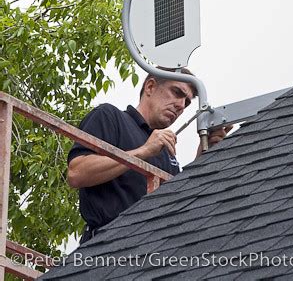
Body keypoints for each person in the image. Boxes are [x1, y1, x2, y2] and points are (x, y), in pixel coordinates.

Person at [67, 70, 231, 243]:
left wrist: (205, 156)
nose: (181, 105)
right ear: (150, 86)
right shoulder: (110, 117)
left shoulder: (166, 152)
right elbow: (77, 173)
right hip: (104, 247)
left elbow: (178, 202)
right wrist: (143, 151)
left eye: (187, 102)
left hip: (151, 251)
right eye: (177, 92)